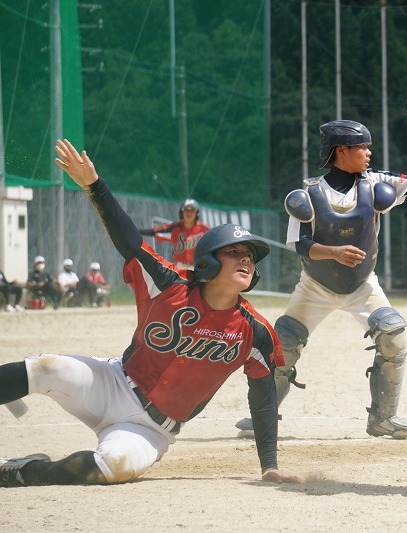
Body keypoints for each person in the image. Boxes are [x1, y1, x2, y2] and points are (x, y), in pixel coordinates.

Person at [0, 139, 300, 487]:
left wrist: (269, 465)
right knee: (44, 368)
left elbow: (263, 398)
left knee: (114, 467)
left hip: (151, 429)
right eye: (235, 252)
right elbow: (127, 239)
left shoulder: (256, 331)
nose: (246, 259)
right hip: (111, 383)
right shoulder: (168, 285)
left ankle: (23, 470)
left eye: (250, 256)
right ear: (206, 262)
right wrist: (94, 186)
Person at [235, 119, 407, 440]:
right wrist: (333, 252)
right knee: (283, 343)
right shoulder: (309, 192)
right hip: (315, 286)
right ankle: (264, 416)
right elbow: (302, 245)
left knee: (392, 335)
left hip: (362, 284)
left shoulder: (374, 184)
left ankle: (384, 418)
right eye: (362, 147)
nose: (368, 153)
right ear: (341, 151)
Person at [139, 198, 211, 270]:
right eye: (186, 209)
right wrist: (135, 230)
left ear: (196, 212)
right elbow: (154, 232)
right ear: (181, 212)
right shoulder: (174, 228)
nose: (189, 212)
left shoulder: (205, 229)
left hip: (198, 266)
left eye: (192, 210)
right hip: (180, 267)